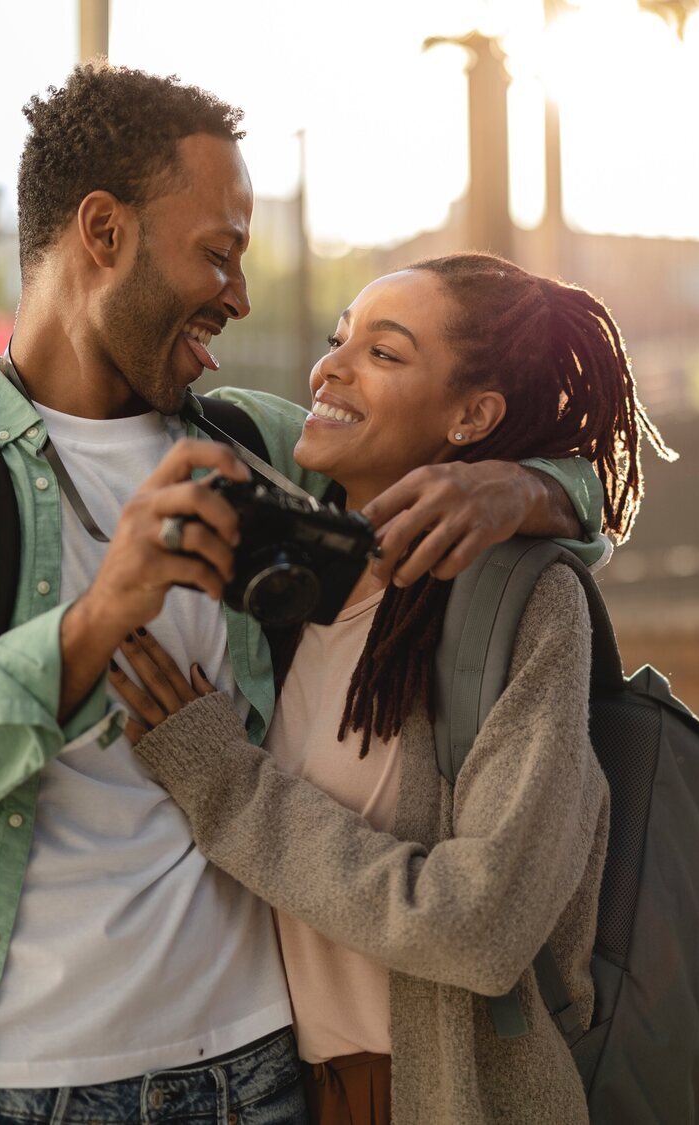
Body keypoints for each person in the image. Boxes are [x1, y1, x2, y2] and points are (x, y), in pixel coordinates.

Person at [0, 66, 604, 1125]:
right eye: (218, 253)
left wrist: (525, 485)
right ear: (103, 232)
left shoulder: (253, 445)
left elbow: (496, 446)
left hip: (257, 1078)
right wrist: (97, 621)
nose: (240, 292)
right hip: (5, 1088)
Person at [115, 252, 670, 1125]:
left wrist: (222, 783)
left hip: (447, 1096)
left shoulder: (523, 604)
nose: (329, 368)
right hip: (275, 1091)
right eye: (339, 339)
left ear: (472, 415)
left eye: (385, 352)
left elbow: (482, 926)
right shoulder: (289, 569)